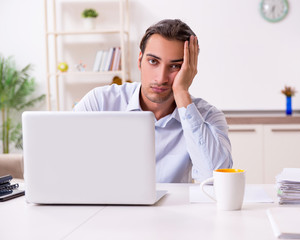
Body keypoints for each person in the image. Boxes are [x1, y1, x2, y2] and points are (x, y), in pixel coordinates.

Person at [74, 19, 232, 183]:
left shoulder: (207, 116)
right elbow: (66, 160)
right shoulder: (100, 102)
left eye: (175, 66)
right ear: (140, 60)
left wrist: (181, 92)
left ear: (190, 69)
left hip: (174, 208)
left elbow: (215, 179)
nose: (161, 78)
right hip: (108, 205)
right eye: (153, 61)